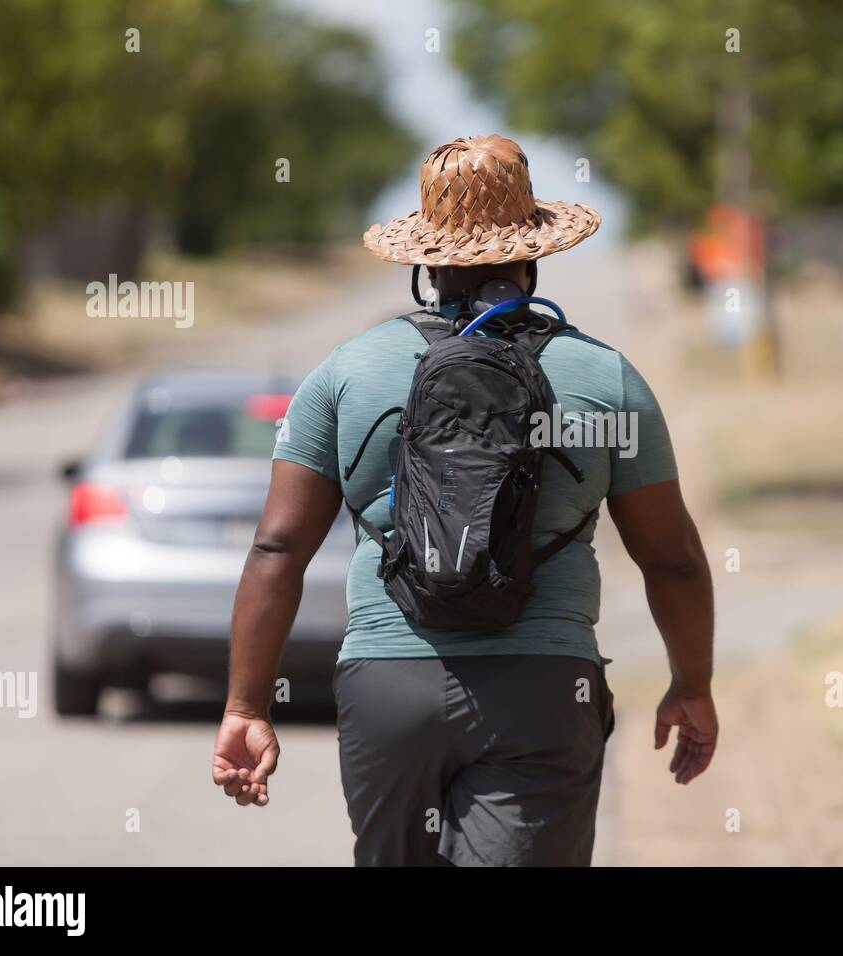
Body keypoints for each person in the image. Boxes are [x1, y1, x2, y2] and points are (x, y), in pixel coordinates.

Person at [211, 134, 717, 866]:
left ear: (425, 260)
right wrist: (691, 684)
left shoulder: (346, 373)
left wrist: (245, 707)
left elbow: (278, 548)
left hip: (388, 687)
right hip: (543, 689)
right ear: (533, 253)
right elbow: (670, 557)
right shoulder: (606, 378)